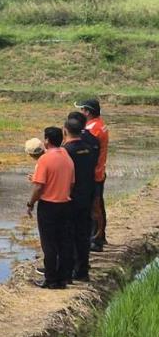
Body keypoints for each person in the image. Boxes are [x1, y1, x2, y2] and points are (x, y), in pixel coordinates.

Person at [27, 126, 74, 289]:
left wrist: (30, 203)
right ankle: (62, 279)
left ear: (47, 140)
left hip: (48, 206)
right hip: (65, 205)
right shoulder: (66, 156)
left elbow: (39, 188)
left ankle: (50, 279)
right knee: (63, 243)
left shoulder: (44, 160)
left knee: (49, 244)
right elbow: (72, 182)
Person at [62, 115, 97, 282]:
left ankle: (68, 271)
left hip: (71, 198)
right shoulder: (89, 148)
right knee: (83, 235)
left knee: (68, 235)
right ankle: (83, 270)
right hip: (87, 196)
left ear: (65, 131)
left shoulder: (66, 151)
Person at [77, 98, 109, 251]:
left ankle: (96, 239)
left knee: (94, 207)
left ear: (88, 112)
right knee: (98, 205)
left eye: (82, 109)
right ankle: (100, 236)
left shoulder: (92, 130)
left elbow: (88, 155)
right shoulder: (100, 124)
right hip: (99, 172)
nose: (80, 112)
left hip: (93, 174)